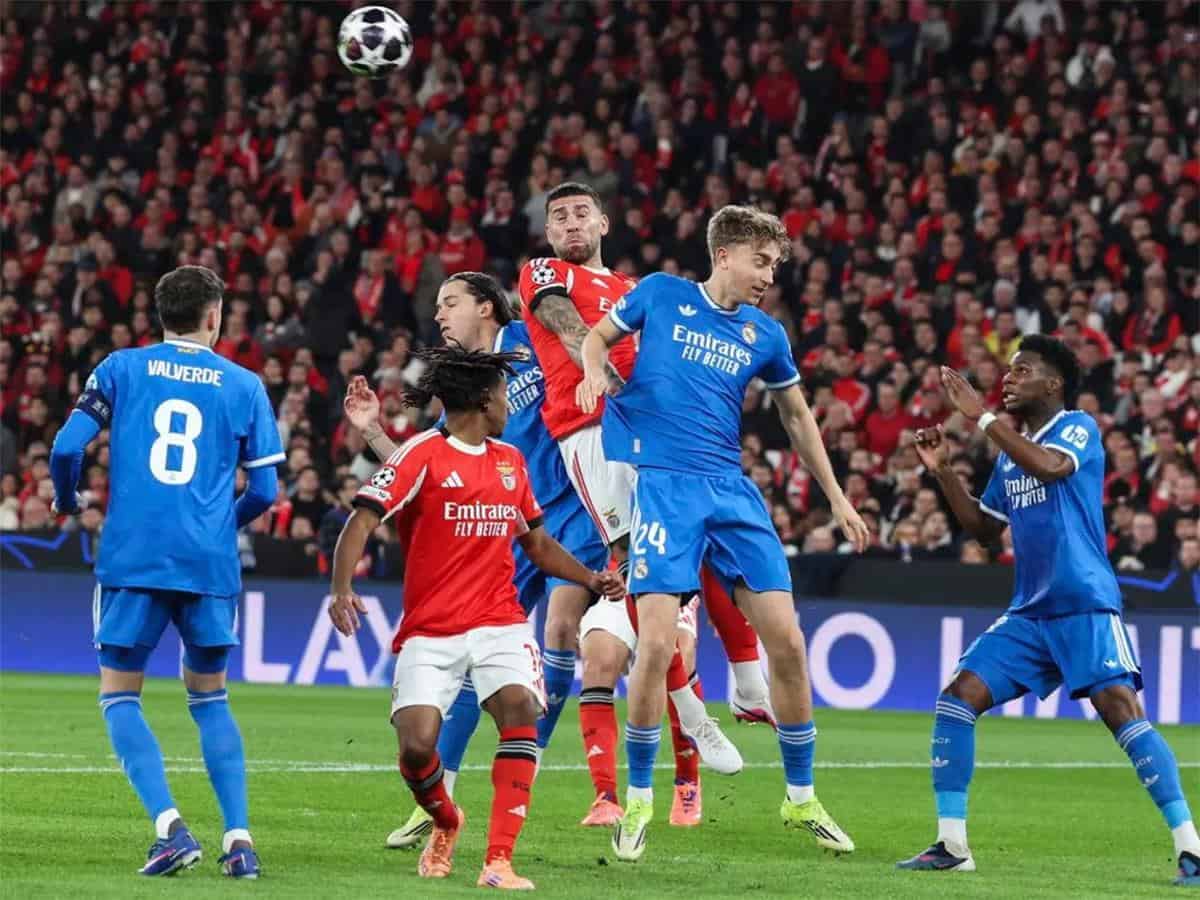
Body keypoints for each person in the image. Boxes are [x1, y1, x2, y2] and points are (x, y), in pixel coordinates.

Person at [351, 273, 712, 833]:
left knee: (565, 629)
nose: (440, 315)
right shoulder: (467, 385)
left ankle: (548, 760)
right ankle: (440, 795)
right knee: (470, 655)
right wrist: (374, 431)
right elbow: (423, 464)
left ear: (486, 308)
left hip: (574, 512)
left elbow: (587, 363)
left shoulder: (529, 338)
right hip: (508, 528)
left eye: (450, 303)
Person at [578, 205, 869, 861]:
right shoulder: (661, 295)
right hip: (664, 487)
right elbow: (595, 338)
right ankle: (641, 797)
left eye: (775, 266)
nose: (768, 276)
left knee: (787, 642)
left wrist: (836, 497)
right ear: (725, 255)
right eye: (761, 262)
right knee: (656, 646)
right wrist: (595, 367)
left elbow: (797, 418)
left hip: (731, 491)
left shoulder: (766, 335)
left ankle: (801, 798)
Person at [897, 336, 1200, 888]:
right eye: (1008, 371)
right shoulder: (1010, 455)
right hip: (1030, 612)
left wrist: (982, 417)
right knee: (958, 698)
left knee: (1120, 711)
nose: (1008, 379)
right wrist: (943, 472)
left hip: (1084, 601)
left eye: (1023, 371)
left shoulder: (1076, 427)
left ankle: (1191, 847)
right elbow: (984, 531)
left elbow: (1054, 468)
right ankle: (951, 845)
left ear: (1054, 384)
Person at [328, 342, 623, 890]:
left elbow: (537, 545)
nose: (510, 404)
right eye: (504, 395)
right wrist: (341, 587)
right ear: (484, 401)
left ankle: (499, 861)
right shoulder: (420, 455)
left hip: (500, 622)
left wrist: (590, 578)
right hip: (431, 629)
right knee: (417, 748)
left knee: (520, 710)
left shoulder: (510, 461)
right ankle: (446, 820)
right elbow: (363, 520)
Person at [519, 182, 770, 813]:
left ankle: (744, 678)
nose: (570, 223)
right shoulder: (543, 273)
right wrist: (603, 372)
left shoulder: (638, 288)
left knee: (699, 547)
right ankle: (695, 715)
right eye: (558, 217)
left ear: (604, 222)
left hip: (655, 430)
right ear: (548, 232)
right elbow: (567, 325)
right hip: (591, 429)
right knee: (636, 562)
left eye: (581, 213)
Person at [48, 265, 281, 878]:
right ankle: (240, 843)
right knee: (210, 699)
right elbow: (266, 490)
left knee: (119, 696)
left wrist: (68, 499)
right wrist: (219, 527)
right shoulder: (245, 384)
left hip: (134, 558)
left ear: (160, 316)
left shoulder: (121, 368)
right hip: (208, 564)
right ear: (214, 317)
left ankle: (170, 829)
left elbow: (66, 447)